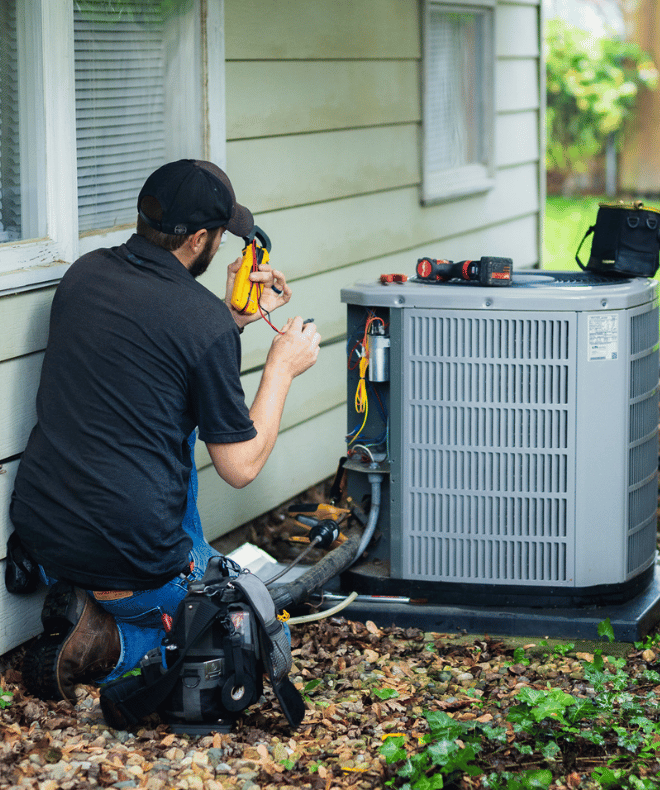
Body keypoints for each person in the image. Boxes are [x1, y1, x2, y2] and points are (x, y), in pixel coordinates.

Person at [9, 159, 320, 704]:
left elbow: (158, 358)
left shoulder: (84, 273)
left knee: (165, 426)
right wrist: (281, 367)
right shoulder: (199, 323)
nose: (223, 247)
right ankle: (110, 642)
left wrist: (229, 316)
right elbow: (239, 467)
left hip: (47, 531)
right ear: (199, 238)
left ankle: (94, 601)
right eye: (220, 236)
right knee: (259, 637)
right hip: (131, 561)